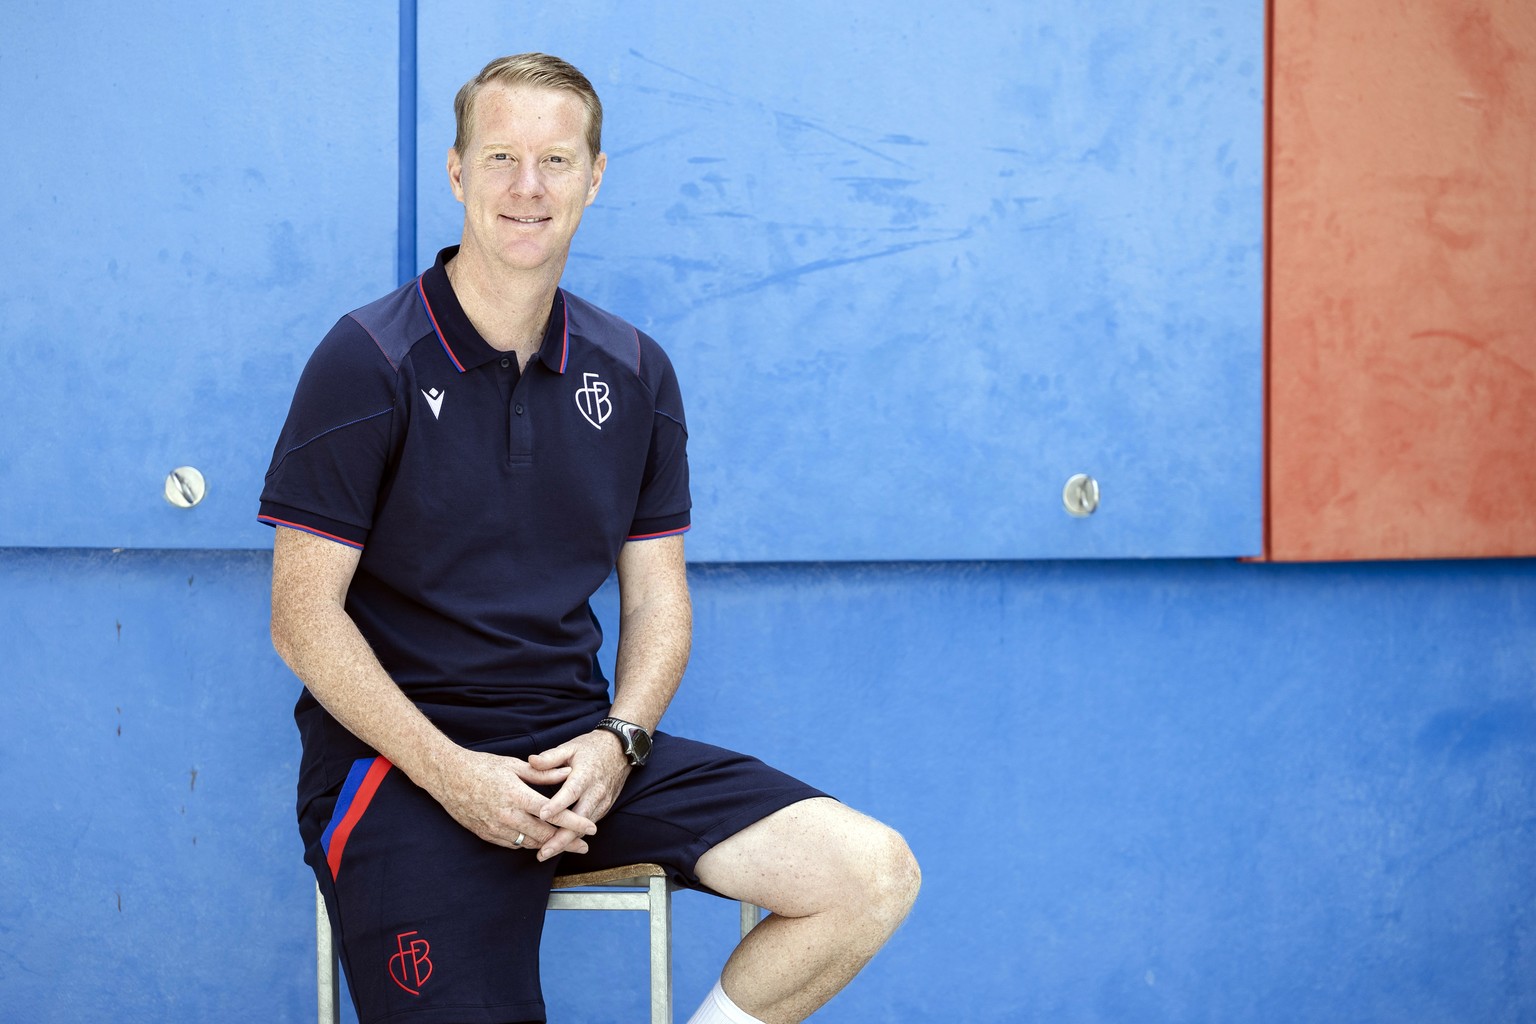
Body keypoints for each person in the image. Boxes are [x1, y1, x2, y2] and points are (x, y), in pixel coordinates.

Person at [260, 53, 919, 1024]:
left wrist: (620, 737)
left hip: (578, 756)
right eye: (501, 158)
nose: (528, 188)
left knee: (868, 873)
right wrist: (453, 773)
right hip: (400, 768)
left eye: (556, 161)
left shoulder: (635, 371)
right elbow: (301, 620)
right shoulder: (368, 359)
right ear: (456, 173)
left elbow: (658, 600)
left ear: (595, 176)